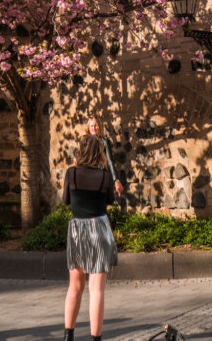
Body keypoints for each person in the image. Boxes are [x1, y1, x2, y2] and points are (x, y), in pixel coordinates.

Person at [62, 134, 118, 341]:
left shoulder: (72, 174)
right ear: (98, 153)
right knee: (97, 290)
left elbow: (66, 200)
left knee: (75, 286)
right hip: (99, 229)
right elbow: (110, 199)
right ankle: (96, 338)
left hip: (77, 230)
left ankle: (69, 335)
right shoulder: (104, 176)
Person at [87, 117, 124, 197]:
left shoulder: (104, 142)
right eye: (92, 126)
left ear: (99, 127)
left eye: (95, 125)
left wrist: (116, 180)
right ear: (88, 128)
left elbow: (110, 161)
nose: (94, 128)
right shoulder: (85, 142)